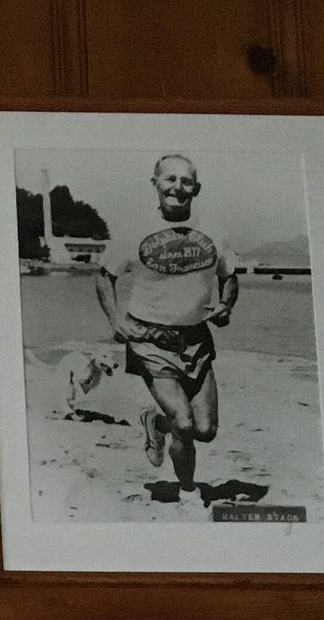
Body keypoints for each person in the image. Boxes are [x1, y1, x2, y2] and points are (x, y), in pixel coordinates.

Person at [93, 151, 239, 501]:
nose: (178, 187)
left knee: (205, 429)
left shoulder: (213, 227)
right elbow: (104, 276)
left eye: (186, 181)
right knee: (184, 424)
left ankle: (155, 423)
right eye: (170, 179)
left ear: (196, 188)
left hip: (196, 339)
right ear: (155, 183)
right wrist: (116, 321)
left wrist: (226, 306)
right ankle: (188, 492)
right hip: (149, 339)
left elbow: (229, 276)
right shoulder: (133, 228)